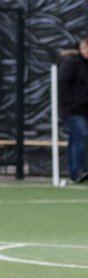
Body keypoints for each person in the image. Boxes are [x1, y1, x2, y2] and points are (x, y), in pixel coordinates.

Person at [57, 36, 88, 183]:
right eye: (84, 48)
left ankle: (75, 172)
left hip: (85, 109)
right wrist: (70, 104)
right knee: (81, 136)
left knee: (76, 139)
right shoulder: (71, 62)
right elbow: (63, 84)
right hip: (73, 110)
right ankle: (78, 171)